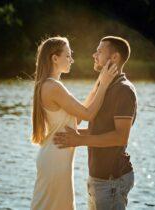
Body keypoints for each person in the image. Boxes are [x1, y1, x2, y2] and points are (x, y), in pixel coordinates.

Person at [30, 36, 118, 210]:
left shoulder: (51, 85)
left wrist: (100, 81)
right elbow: (89, 114)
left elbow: (78, 116)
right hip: (55, 158)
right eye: (68, 55)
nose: (72, 60)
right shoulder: (53, 87)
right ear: (55, 58)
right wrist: (104, 84)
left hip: (56, 157)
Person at [54, 36, 138, 210]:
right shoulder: (107, 87)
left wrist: (80, 140)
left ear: (114, 58)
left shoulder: (123, 90)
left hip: (112, 181)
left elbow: (120, 137)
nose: (94, 55)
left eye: (99, 51)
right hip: (98, 179)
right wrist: (73, 135)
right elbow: (99, 129)